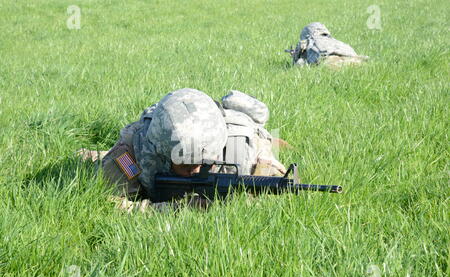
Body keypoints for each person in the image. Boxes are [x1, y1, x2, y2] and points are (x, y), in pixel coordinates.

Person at [79, 88, 288, 212]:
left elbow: (274, 193)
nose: (196, 171)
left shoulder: (244, 150)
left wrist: (237, 203)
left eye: (204, 163)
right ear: (163, 153)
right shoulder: (133, 151)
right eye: (187, 164)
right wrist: (168, 210)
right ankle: (95, 155)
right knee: (111, 163)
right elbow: (107, 204)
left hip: (230, 128)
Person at [287, 22, 369, 68]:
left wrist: (295, 55)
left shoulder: (308, 41)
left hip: (329, 61)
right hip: (350, 55)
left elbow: (296, 61)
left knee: (300, 64)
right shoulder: (333, 40)